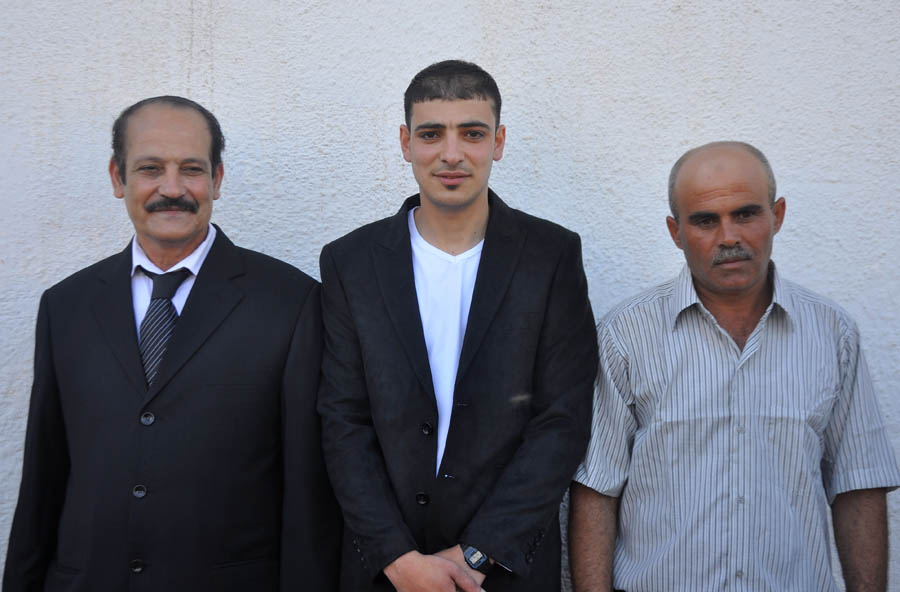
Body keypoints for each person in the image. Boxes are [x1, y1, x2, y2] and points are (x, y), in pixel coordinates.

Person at [3, 96, 340, 591]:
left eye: (191, 169)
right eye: (150, 169)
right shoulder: (65, 306)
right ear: (118, 178)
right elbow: (44, 475)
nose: (172, 188)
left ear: (217, 179)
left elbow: (307, 491)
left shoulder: (291, 302)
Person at [569, 141, 900, 592]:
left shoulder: (832, 333)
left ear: (777, 215)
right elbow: (596, 490)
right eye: (706, 220)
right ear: (675, 232)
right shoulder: (626, 335)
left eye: (746, 214)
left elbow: (859, 486)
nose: (729, 237)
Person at [318, 60, 598, 592]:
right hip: (386, 572)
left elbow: (561, 420)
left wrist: (477, 554)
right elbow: (342, 420)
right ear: (406, 143)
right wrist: (397, 558)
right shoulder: (350, 262)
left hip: (504, 571)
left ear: (498, 142)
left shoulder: (552, 256)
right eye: (431, 134)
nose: (451, 154)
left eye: (472, 133)